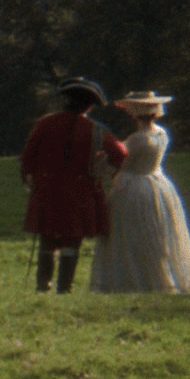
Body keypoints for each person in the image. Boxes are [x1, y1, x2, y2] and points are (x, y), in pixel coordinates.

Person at [21, 76, 127, 294]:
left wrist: (29, 178)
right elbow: (121, 153)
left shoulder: (45, 122)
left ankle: (43, 286)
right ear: (89, 105)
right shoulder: (96, 129)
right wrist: (104, 166)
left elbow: (28, 156)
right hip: (80, 191)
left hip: (47, 189)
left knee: (47, 239)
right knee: (71, 240)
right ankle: (64, 288)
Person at [90, 91, 190, 294]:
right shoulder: (161, 133)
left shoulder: (137, 139)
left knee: (130, 232)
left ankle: (134, 280)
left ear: (135, 113)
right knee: (156, 232)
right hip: (158, 184)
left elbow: (119, 160)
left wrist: (99, 163)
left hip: (133, 186)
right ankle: (159, 277)